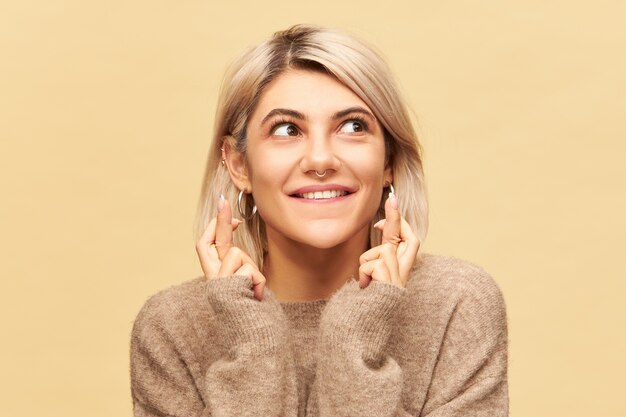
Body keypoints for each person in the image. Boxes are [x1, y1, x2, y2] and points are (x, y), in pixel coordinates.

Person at [130, 24, 509, 416]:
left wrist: (357, 333)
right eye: (287, 129)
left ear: (389, 161)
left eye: (352, 126)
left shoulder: (457, 305)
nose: (321, 160)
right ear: (239, 164)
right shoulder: (172, 329)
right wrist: (253, 342)